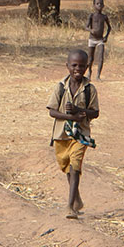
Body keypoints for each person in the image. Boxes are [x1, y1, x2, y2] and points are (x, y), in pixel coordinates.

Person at [47, 49, 99, 219]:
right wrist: (70, 116)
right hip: (61, 135)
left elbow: (95, 112)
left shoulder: (89, 89)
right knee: (66, 165)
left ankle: (69, 206)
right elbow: (52, 112)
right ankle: (76, 199)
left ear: (87, 67)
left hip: (80, 135)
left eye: (82, 66)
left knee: (75, 166)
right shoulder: (60, 87)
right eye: (74, 65)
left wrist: (80, 111)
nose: (78, 69)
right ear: (67, 66)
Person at [85, 0, 111, 79]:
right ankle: (89, 72)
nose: (99, 5)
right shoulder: (92, 16)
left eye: (101, 4)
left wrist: (106, 36)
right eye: (97, 4)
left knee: (100, 57)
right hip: (92, 39)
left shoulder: (104, 17)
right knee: (90, 58)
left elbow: (109, 28)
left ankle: (98, 76)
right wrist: (90, 30)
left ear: (103, 5)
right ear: (94, 5)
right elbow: (86, 26)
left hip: (100, 40)